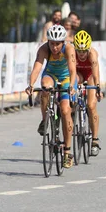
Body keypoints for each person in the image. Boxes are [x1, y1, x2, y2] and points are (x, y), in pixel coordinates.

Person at [26, 25, 77, 168]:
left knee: (66, 110)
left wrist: (72, 86)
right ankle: (45, 119)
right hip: (51, 75)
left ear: (63, 42)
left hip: (66, 77)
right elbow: (37, 67)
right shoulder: (43, 49)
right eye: (52, 43)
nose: (54, 47)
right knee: (45, 87)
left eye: (57, 44)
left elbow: (73, 70)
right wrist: (30, 84)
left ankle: (67, 152)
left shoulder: (69, 49)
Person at [73, 30, 103, 156]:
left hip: (90, 75)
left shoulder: (92, 54)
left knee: (91, 106)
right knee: (74, 80)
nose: (81, 54)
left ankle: (95, 140)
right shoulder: (72, 53)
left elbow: (96, 74)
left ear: (88, 48)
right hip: (78, 74)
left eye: (84, 50)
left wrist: (97, 88)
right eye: (79, 51)